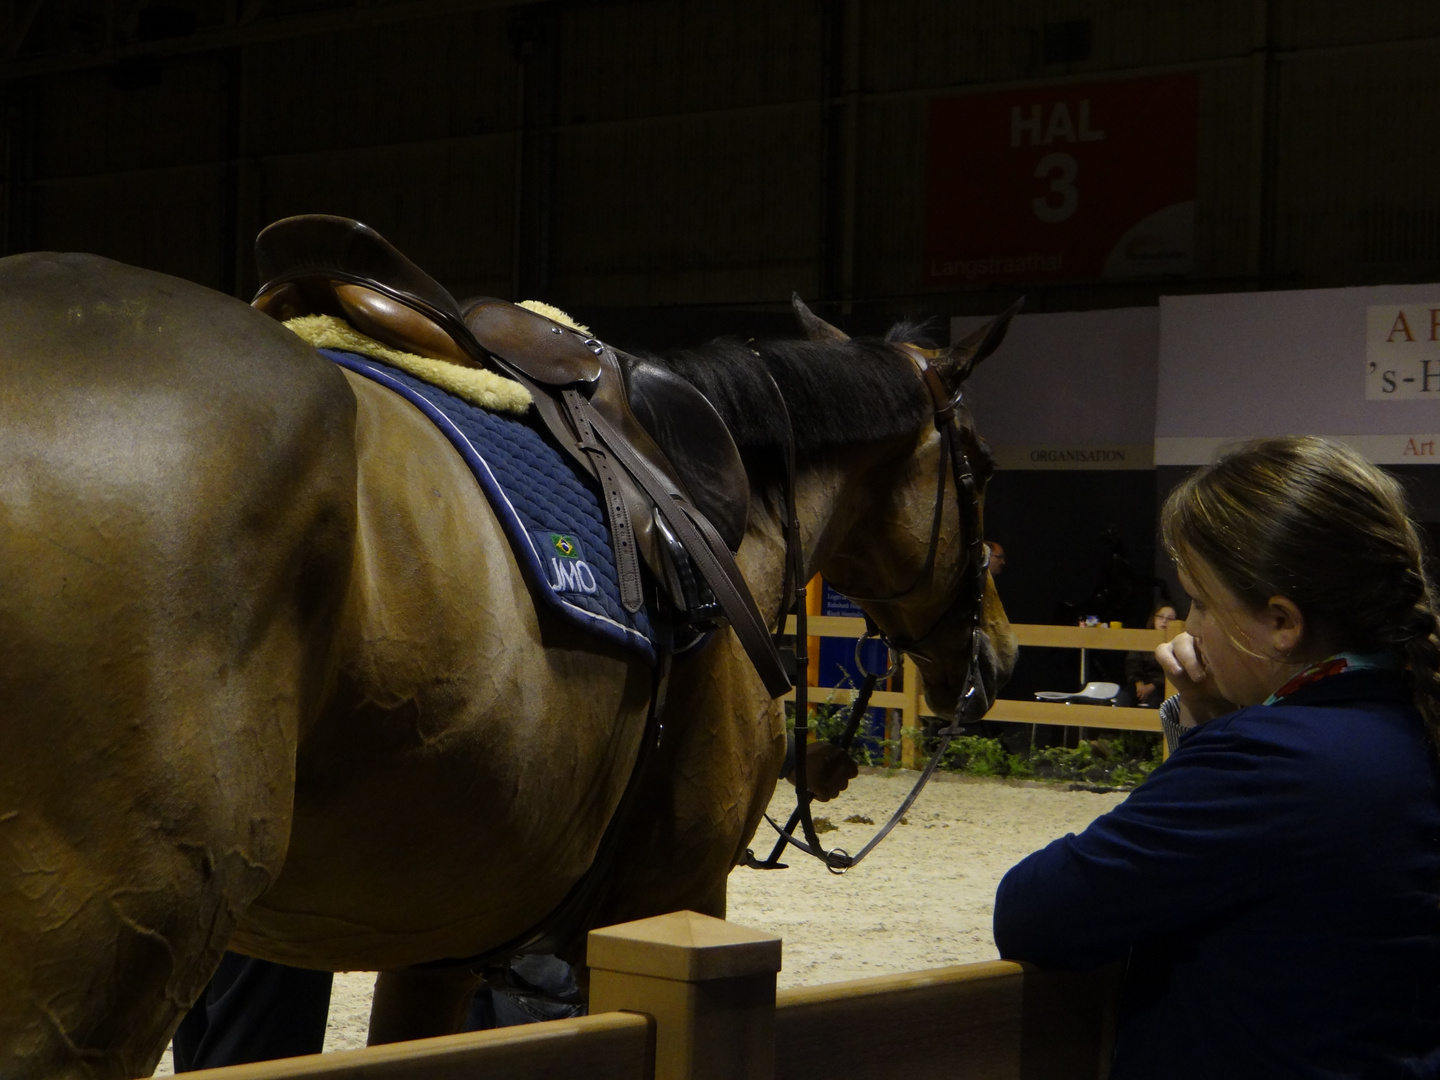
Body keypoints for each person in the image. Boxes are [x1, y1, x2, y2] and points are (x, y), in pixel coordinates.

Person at [992, 436, 1440, 1079]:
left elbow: (1035, 912)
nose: (1188, 629)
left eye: (1200, 600)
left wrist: (1207, 733)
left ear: (1281, 623)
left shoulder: (1269, 760)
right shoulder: (1411, 724)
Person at [1121, 603, 1176, 707]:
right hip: (1140, 684)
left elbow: (1172, 670)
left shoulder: (1176, 643)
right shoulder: (1143, 638)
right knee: (1124, 698)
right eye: (1161, 617)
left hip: (1162, 686)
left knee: (1155, 701)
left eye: (1170, 619)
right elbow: (1132, 662)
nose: (1164, 621)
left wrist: (1152, 686)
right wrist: (1139, 683)